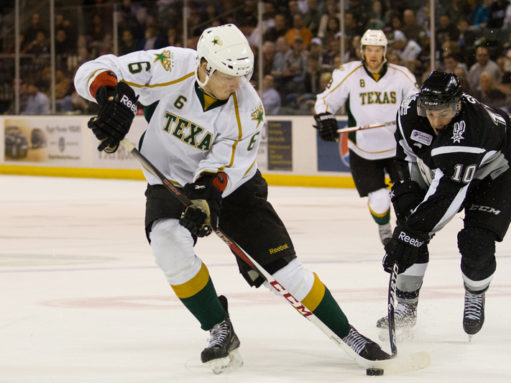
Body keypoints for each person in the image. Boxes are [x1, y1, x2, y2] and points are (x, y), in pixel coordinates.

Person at [74, 23, 389, 374]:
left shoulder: (249, 108)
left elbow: (226, 168)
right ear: (205, 66)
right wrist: (109, 99)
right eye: (228, 75)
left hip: (234, 189)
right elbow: (95, 69)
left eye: (242, 74)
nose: (236, 84)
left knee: (285, 273)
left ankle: (349, 334)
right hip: (167, 181)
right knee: (168, 244)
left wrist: (207, 198)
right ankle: (218, 326)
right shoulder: (170, 65)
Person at [376, 71, 511, 338]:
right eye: (430, 113)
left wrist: (413, 234)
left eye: (444, 113)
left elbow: (448, 194)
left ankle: (475, 293)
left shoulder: (469, 128)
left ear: (457, 105)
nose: (436, 121)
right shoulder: (409, 111)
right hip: (449, 171)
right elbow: (404, 156)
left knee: (475, 241)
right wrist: (403, 190)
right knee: (411, 219)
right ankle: (406, 307)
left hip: (496, 174)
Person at [313, 29, 418, 246]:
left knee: (406, 195)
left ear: (385, 51)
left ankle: (406, 230)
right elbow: (325, 100)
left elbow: (417, 105)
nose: (373, 54)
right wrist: (325, 117)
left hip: (397, 148)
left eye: (378, 50)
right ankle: (385, 229)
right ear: (362, 50)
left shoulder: (403, 75)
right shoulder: (348, 73)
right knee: (379, 199)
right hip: (363, 149)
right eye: (369, 49)